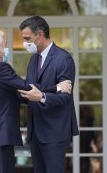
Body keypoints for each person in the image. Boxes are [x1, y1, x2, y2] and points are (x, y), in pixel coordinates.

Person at [0, 29, 71, 173]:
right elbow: (26, 87)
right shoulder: (0, 68)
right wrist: (57, 88)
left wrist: (39, 98)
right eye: (5, 45)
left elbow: (16, 95)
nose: (7, 49)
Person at [18, 16, 79, 173]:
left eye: (27, 38)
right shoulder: (33, 60)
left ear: (40, 34)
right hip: (35, 131)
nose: (25, 43)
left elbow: (65, 97)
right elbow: (32, 90)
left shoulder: (63, 58)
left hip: (55, 131)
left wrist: (42, 96)